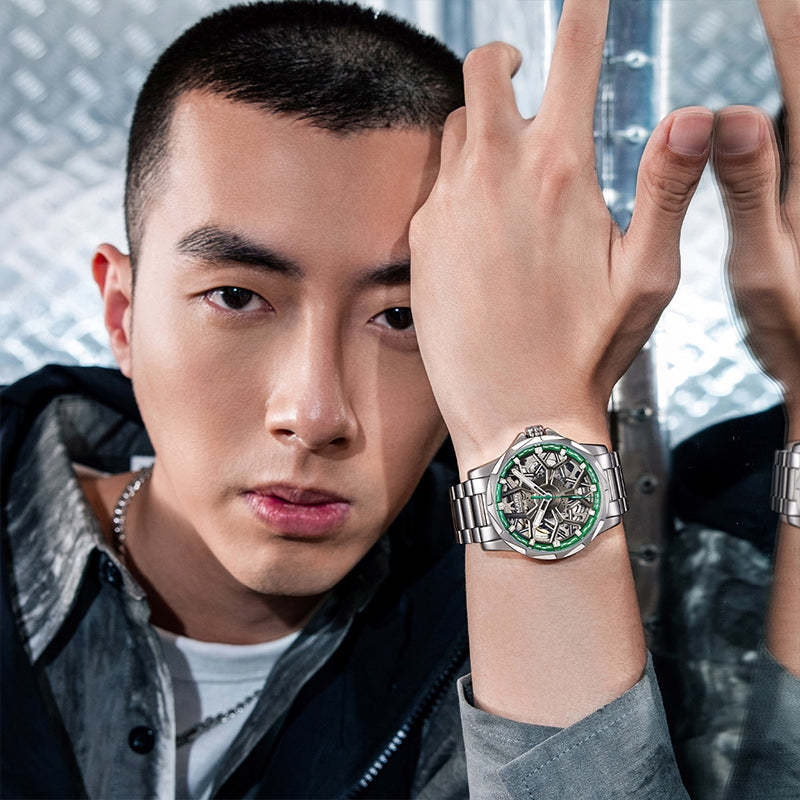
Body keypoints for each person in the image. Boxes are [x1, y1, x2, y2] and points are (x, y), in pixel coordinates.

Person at [0, 0, 787, 797]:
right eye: (236, 297)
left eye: (402, 317)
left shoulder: (496, 637)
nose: (314, 416)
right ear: (122, 316)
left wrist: (536, 418)